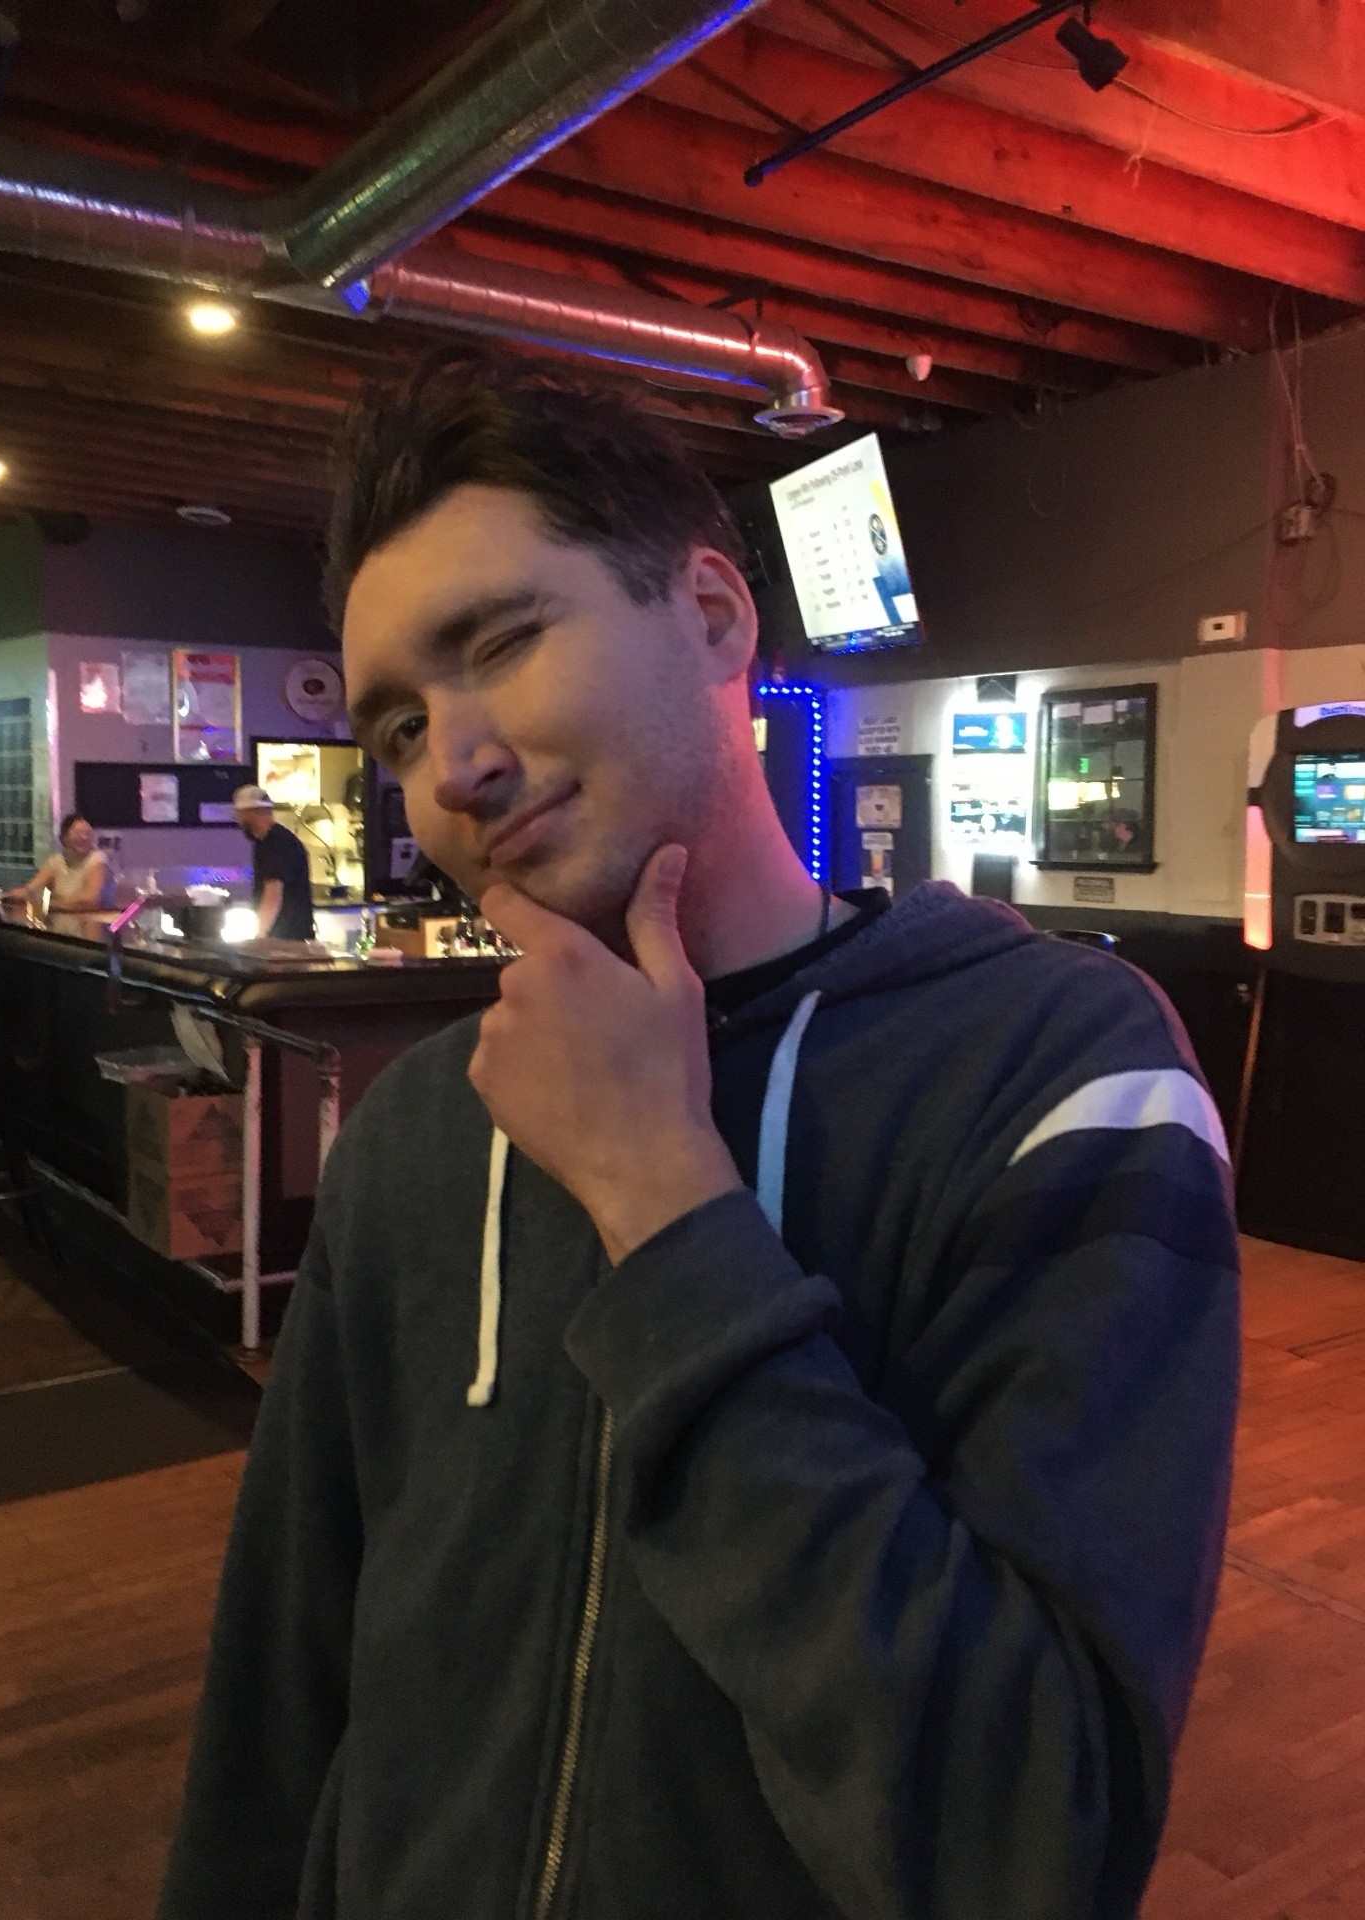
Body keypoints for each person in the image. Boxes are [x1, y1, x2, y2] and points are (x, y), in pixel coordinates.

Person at [158, 354, 1240, 1920]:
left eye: (501, 643)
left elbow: (1028, 1838)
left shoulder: (1059, 1073)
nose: (452, 770)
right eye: (396, 727)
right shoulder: (417, 1131)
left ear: (718, 619)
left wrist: (664, 1203)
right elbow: (279, 1700)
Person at [231, 784, 315, 941]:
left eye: (240, 816)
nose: (239, 822)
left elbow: (273, 894)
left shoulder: (274, 844)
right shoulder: (272, 840)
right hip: (291, 937)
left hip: (285, 941)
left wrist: (259, 937)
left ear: (252, 813)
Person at [4, 813, 111, 913]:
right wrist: (16, 894)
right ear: (64, 838)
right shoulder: (57, 861)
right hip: (63, 918)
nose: (84, 837)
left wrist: (52, 903)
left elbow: (91, 899)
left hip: (92, 918)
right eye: (78, 833)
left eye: (88, 833)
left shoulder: (97, 859)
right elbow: (33, 888)